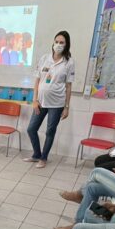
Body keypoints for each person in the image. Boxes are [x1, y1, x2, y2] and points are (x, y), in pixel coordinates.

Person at [24, 31, 74, 169]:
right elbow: (37, 80)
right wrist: (34, 100)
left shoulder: (69, 62)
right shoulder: (44, 58)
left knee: (49, 132)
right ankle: (36, 154)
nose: (58, 44)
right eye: (56, 41)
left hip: (57, 104)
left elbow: (69, 86)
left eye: (61, 42)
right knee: (31, 129)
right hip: (40, 102)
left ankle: (44, 158)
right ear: (53, 42)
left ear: (66, 45)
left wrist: (67, 107)